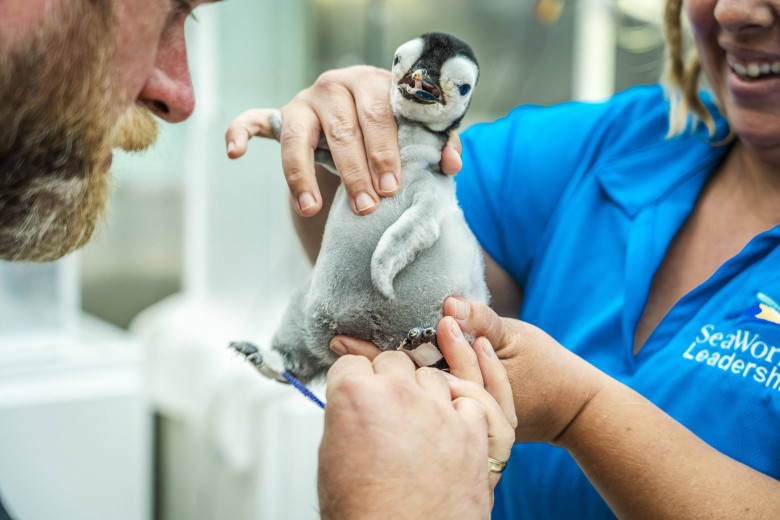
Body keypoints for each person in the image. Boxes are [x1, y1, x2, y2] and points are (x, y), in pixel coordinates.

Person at [226, 0, 780, 517]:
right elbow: (391, 254)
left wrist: (579, 411)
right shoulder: (630, 140)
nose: (732, 9)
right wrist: (353, 147)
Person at [0, 1, 514, 519]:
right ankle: (289, 355)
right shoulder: (515, 155)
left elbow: (489, 304)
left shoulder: (456, 164)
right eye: (164, 12)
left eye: (188, 21)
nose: (181, 96)